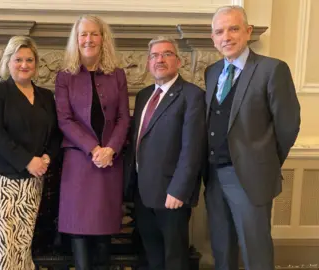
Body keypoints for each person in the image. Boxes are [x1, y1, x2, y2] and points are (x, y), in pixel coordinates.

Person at [204, 6, 301, 270]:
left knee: (255, 252)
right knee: (222, 250)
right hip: (213, 177)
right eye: (219, 31)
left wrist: (263, 162)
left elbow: (288, 125)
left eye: (233, 28)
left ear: (248, 32)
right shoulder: (212, 72)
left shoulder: (272, 70)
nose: (227, 36)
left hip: (249, 178)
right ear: (212, 39)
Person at [123, 36, 206, 270]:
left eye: (167, 54)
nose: (160, 59)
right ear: (148, 63)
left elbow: (193, 148)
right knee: (151, 256)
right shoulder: (143, 96)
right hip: (142, 191)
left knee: (174, 258)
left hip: (172, 194)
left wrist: (179, 190)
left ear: (178, 61)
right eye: (154, 55)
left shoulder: (192, 95)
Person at [55, 14, 130, 270]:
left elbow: (123, 117)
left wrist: (110, 149)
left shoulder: (117, 75)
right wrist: (94, 149)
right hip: (78, 161)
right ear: (76, 40)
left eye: (94, 33)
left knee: (104, 228)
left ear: (103, 38)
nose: (89, 39)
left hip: (110, 161)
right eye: (83, 34)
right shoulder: (65, 77)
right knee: (78, 227)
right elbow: (64, 120)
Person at [0, 36, 62, 270]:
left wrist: (46, 158)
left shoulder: (46, 96)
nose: (24, 65)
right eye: (18, 59)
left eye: (29, 60)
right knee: (4, 240)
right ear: (8, 62)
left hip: (34, 176)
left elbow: (56, 134)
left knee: (23, 238)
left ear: (36, 64)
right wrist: (27, 161)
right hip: (0, 174)